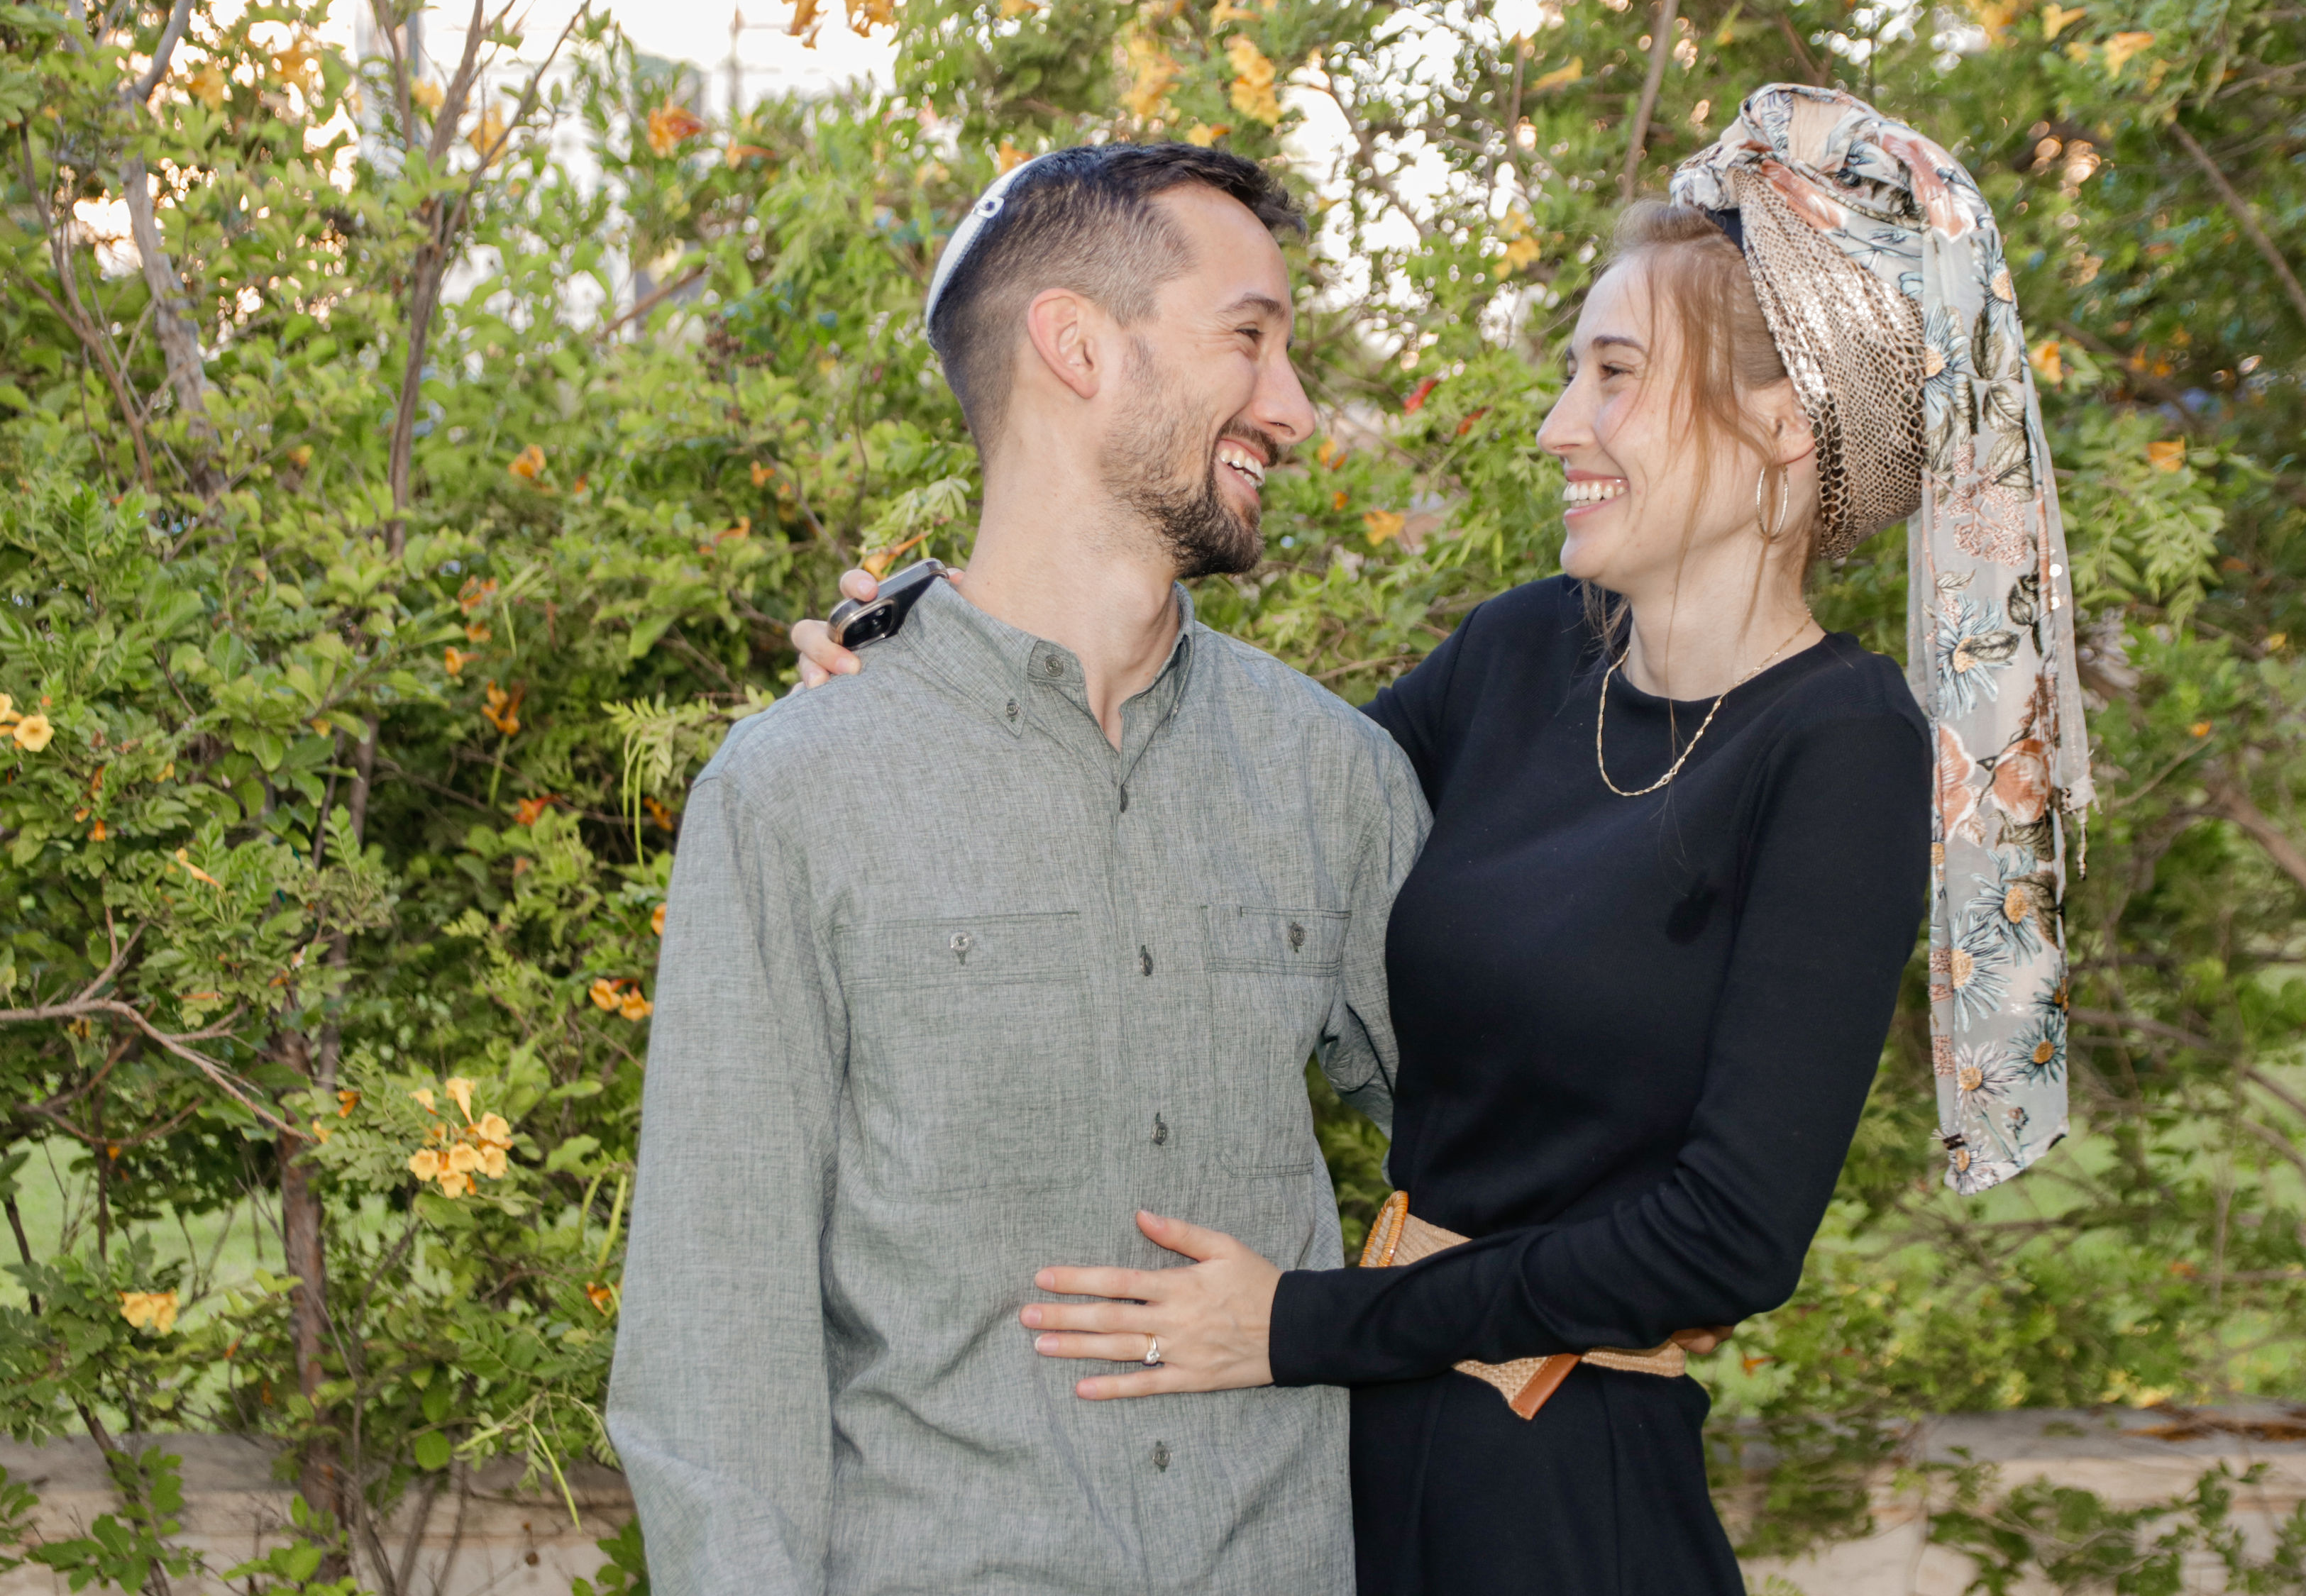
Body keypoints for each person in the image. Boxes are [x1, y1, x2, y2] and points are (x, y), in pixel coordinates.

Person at [790, 87, 2092, 1594]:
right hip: (1365, 1480)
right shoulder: (1526, 653)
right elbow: (1211, 809)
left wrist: (1300, 1324)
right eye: (1572, 373)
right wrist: (932, 668)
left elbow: (1730, 1239)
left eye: (1614, 376)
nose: (1559, 425)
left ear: (1783, 424)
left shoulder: (1841, 743)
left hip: (1565, 1498)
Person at [607, 143, 1435, 1596]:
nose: (1295, 408)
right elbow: (715, 1359)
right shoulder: (798, 792)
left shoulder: (1332, 776)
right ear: (1078, 345)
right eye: (1250, 338)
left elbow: (1526, 1152)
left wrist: (1334, 1323)